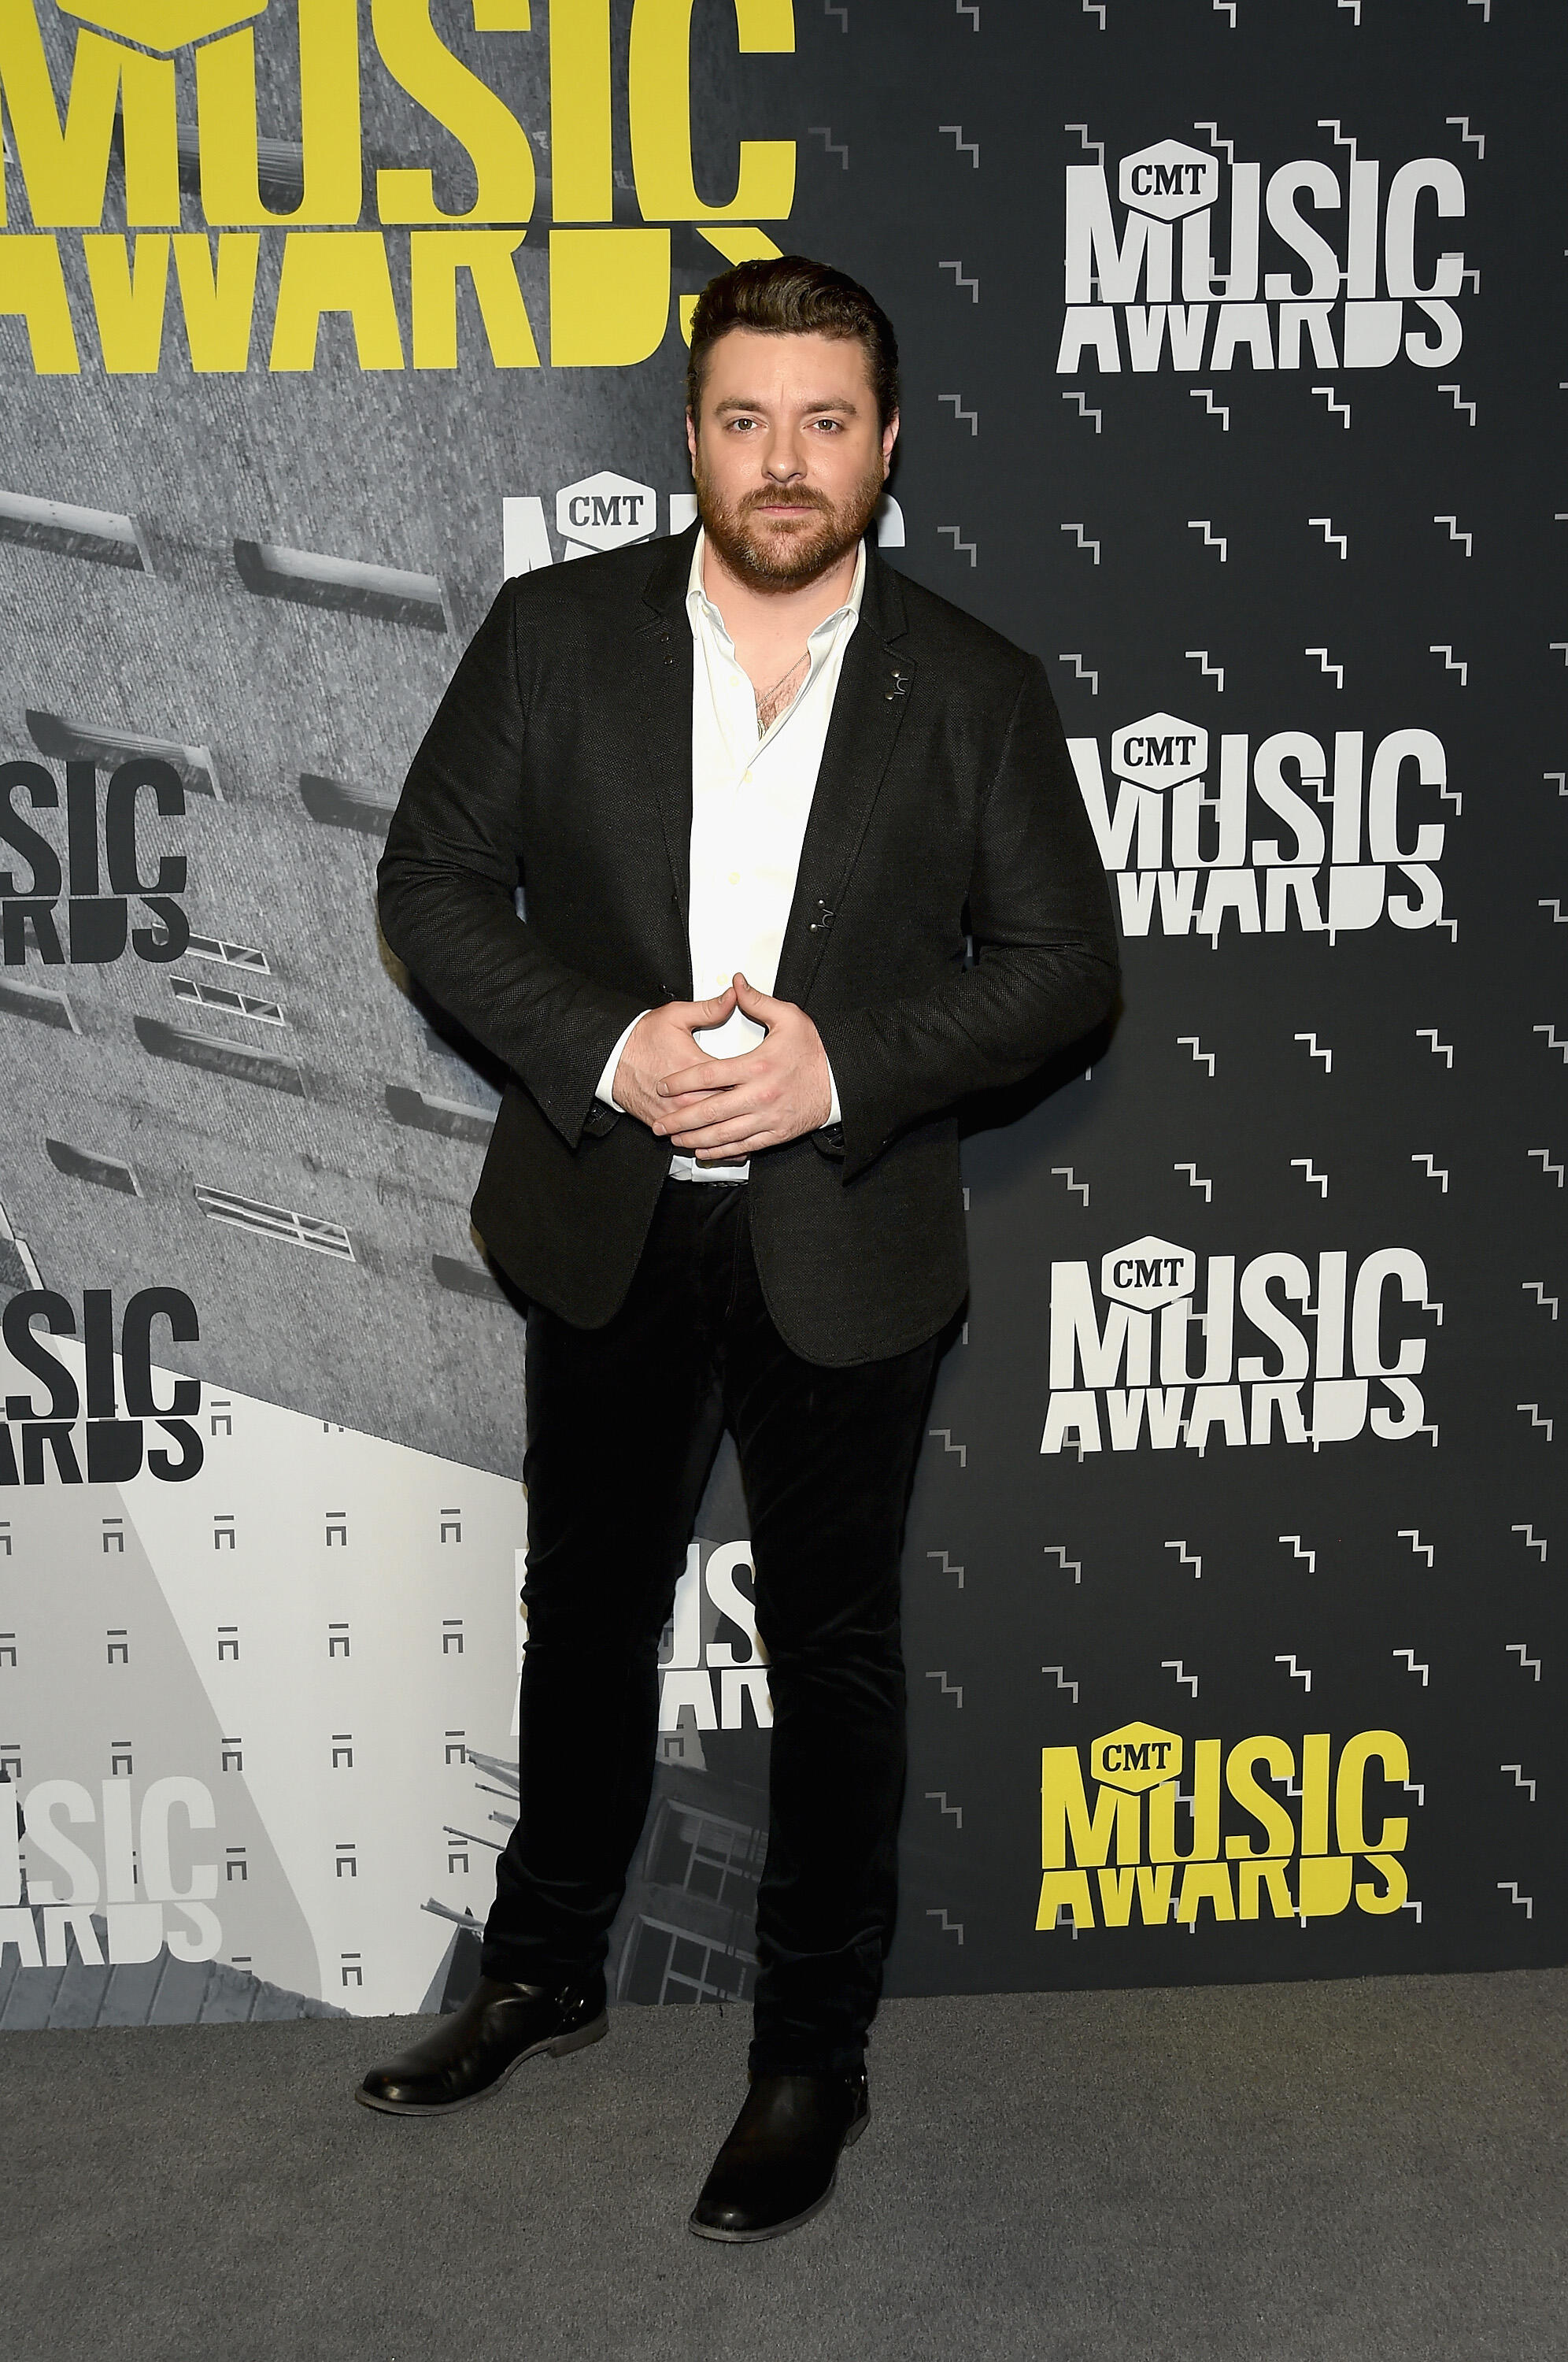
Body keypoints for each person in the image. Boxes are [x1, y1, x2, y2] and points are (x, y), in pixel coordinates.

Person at [361, 256, 1119, 2242]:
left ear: (888, 444)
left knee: (835, 1651)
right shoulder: (552, 638)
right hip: (606, 1218)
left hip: (844, 1240)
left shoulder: (971, 684)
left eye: (826, 421)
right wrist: (609, 1050)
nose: (784, 461)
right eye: (743, 417)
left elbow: (1065, 972)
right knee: (584, 1616)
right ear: (687, 434)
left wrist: (836, 1072)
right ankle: (540, 1970)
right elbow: (432, 885)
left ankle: (812, 2052)